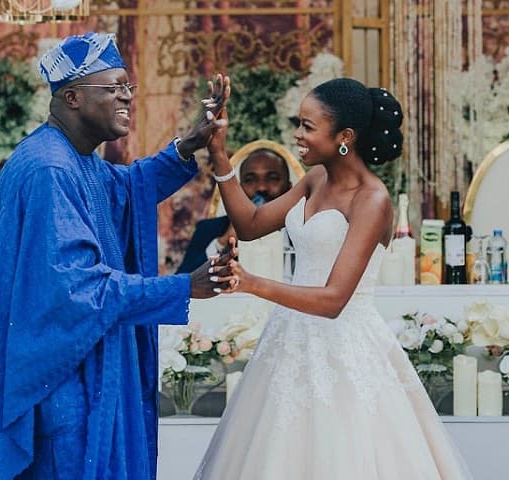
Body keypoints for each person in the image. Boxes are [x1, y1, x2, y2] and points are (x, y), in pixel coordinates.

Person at [0, 32, 235, 480]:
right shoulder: (49, 169)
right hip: (64, 386)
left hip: (74, 375)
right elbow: (79, 289)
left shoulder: (75, 160)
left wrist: (188, 143)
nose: (125, 97)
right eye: (113, 87)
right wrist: (183, 286)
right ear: (73, 97)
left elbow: (129, 188)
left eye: (128, 87)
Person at [194, 78, 472, 479]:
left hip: (344, 350)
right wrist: (219, 155)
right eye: (299, 123)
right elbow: (251, 224)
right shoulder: (314, 181)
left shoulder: (371, 199)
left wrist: (251, 282)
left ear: (345, 137)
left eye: (308, 126)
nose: (297, 134)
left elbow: (334, 299)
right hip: (289, 341)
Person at [176, 148, 292, 274]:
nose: (261, 188)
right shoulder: (209, 229)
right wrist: (224, 241)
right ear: (240, 190)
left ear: (289, 188)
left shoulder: (306, 229)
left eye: (272, 178)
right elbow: (183, 283)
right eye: (250, 180)